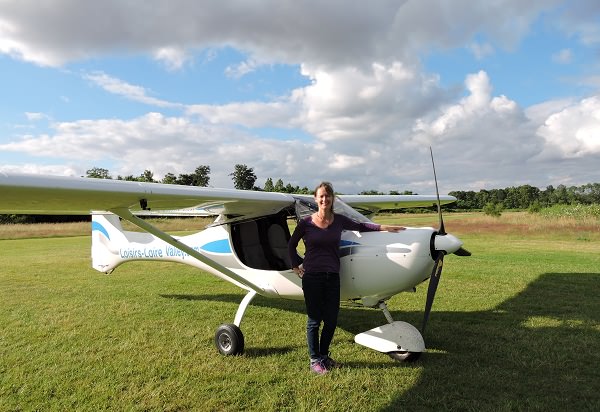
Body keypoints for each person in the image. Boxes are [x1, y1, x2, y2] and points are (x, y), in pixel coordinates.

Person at [288, 182, 406, 374]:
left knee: (332, 320)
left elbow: (361, 226)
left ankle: (324, 356)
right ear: (316, 199)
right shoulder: (306, 223)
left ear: (332, 199)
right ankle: (314, 360)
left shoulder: (339, 220)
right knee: (314, 320)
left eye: (328, 196)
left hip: (332, 276)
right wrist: (295, 264)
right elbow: (291, 244)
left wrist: (385, 228)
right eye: (321, 196)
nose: (324, 199)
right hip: (312, 277)